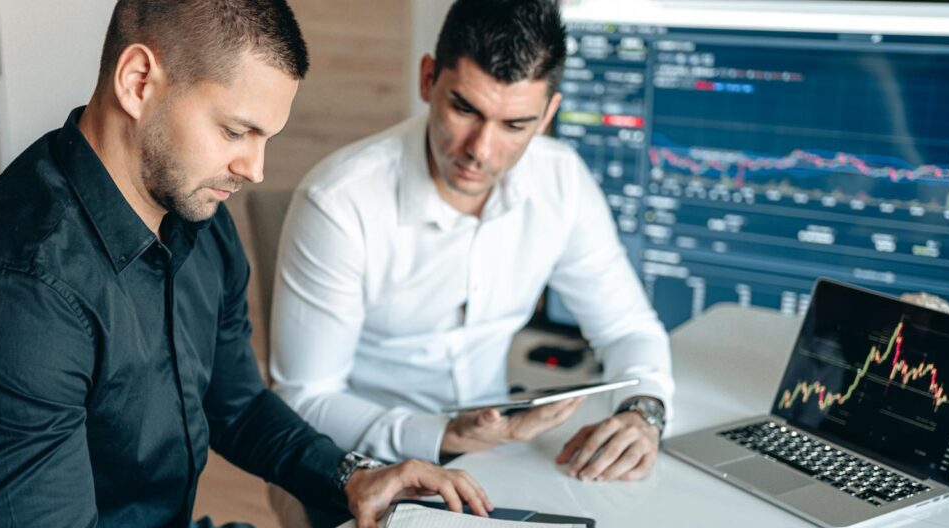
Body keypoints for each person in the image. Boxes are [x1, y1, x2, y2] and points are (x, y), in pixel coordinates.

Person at [0, 1, 489, 528]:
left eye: (266, 137)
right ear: (137, 82)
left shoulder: (198, 219)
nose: (255, 170)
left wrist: (348, 475)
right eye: (236, 132)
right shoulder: (18, 289)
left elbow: (236, 404)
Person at [270, 0, 674, 488]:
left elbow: (627, 326)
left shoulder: (561, 180)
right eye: (465, 109)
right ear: (427, 80)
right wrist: (441, 436)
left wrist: (643, 412)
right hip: (359, 467)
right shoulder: (339, 203)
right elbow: (306, 398)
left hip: (494, 457)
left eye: (515, 125)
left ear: (548, 114)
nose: (480, 150)